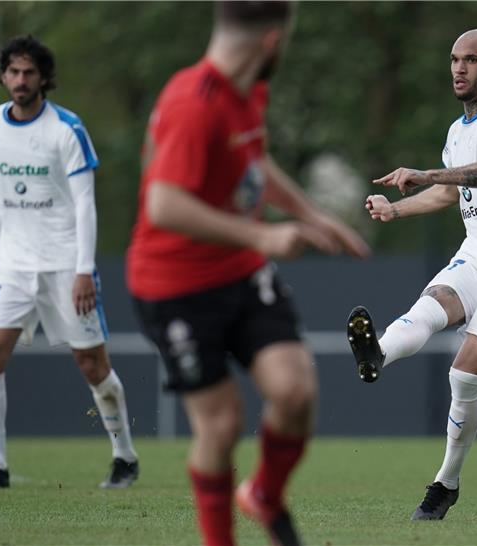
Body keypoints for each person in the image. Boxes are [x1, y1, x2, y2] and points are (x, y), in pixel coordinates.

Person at [126, 2, 370, 544]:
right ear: (271, 39)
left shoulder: (249, 93)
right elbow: (164, 205)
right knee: (221, 425)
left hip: (239, 273)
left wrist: (312, 214)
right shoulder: (192, 101)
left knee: (295, 390)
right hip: (175, 287)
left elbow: (253, 162)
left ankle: (262, 495)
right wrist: (262, 235)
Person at [347, 28, 477, 520]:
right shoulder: (457, 131)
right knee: (429, 305)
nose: (460, 69)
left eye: (473, 60)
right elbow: (448, 195)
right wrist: (396, 211)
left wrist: (428, 173)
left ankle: (446, 483)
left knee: (463, 375)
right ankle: (377, 352)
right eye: (455, 59)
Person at [0, 35, 139, 489]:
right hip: (15, 267)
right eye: (13, 72)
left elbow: (85, 205)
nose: (20, 81)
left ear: (44, 79)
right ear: (3, 76)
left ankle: (125, 457)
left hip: (65, 266)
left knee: (92, 366)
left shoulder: (66, 130)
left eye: (29, 73)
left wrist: (83, 269)